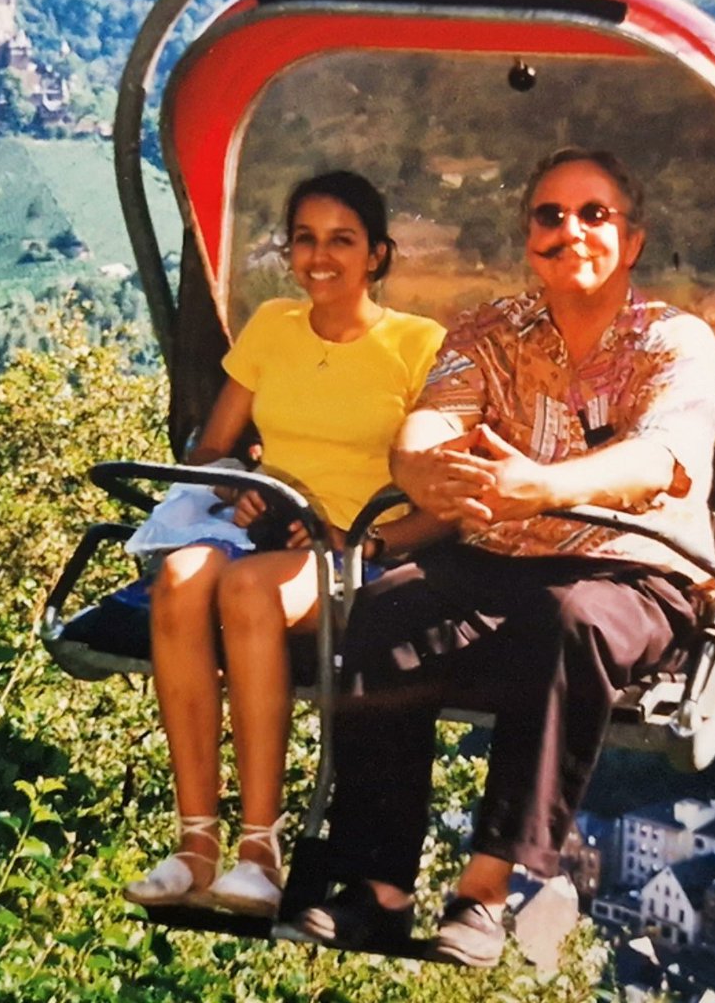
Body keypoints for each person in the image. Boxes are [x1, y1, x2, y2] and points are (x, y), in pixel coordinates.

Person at [297, 148, 715, 965]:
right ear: (530, 237)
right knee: (384, 612)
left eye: (594, 214)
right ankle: (375, 887)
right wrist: (425, 468)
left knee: (570, 619)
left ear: (630, 241)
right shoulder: (491, 330)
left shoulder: (674, 340)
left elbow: (658, 458)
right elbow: (431, 421)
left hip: (630, 565)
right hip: (502, 556)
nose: (571, 232)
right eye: (550, 216)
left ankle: (485, 891)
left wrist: (547, 486)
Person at [123, 170, 446, 917]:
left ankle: (259, 849)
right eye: (305, 239)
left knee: (247, 590)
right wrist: (239, 483)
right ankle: (195, 841)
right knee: (178, 579)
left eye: (342, 241)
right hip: (267, 522)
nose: (320, 257)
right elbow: (208, 452)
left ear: (377, 255)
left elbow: (436, 485)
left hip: (343, 541)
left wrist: (354, 531)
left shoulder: (415, 345)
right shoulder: (272, 326)